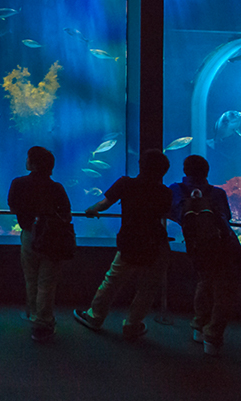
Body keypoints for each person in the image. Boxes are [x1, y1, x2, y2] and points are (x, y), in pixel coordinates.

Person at [73, 148, 172, 340]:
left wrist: (91, 210)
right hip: (155, 242)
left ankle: (95, 316)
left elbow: (104, 204)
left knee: (113, 280)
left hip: (131, 241)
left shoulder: (126, 183)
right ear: (163, 171)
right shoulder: (164, 192)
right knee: (148, 286)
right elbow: (164, 214)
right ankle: (132, 325)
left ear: (140, 165)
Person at [168, 154, 240, 356]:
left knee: (205, 281)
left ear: (185, 171)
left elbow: (172, 213)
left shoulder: (176, 190)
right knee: (224, 290)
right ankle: (213, 335)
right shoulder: (217, 193)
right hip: (224, 247)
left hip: (197, 249)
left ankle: (198, 325)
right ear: (207, 172)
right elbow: (227, 217)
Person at [8, 146, 72, 343]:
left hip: (29, 236)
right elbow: (67, 214)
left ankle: (35, 316)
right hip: (52, 237)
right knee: (47, 281)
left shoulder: (18, 183)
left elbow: (12, 206)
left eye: (28, 157)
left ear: (33, 163)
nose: (26, 160)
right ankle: (42, 323)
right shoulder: (57, 187)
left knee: (31, 277)